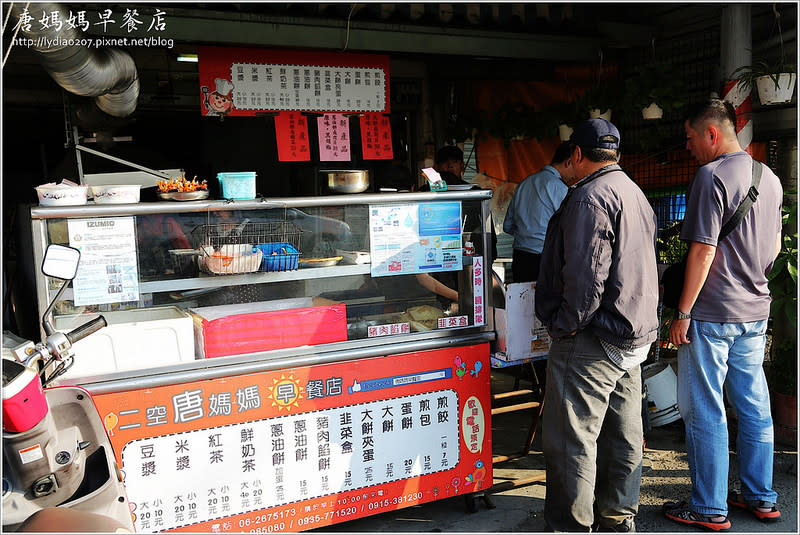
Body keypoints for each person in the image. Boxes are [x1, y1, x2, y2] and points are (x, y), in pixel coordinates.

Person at [663, 99, 783, 531]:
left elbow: (702, 249)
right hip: (756, 310)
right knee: (753, 405)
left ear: (711, 134)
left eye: (691, 138)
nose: (689, 147)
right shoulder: (769, 178)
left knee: (706, 409)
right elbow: (771, 248)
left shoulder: (710, 176)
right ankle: (760, 496)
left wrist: (682, 311)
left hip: (712, 314)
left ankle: (709, 507)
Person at [535, 118, 659, 532]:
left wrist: (566, 325)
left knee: (572, 439)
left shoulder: (590, 196)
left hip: (595, 335)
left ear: (576, 155)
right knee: (623, 432)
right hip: (632, 331)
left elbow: (587, 278)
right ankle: (618, 518)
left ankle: (572, 526)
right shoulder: (633, 191)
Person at [503, 141, 571, 282]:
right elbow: (571, 229)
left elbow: (507, 226)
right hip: (545, 260)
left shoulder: (524, 183)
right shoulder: (560, 188)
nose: (575, 175)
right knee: (544, 303)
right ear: (568, 162)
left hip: (520, 258)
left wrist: (526, 233)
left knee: (522, 301)